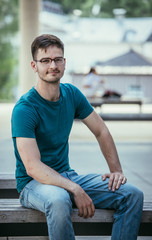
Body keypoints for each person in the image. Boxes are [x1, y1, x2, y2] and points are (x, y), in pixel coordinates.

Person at [11, 34, 143, 240]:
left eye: (57, 59)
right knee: (59, 199)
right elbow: (32, 167)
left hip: (66, 175)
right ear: (34, 66)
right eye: (45, 60)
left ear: (64, 63)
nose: (52, 65)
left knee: (132, 194)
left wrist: (116, 171)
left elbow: (102, 131)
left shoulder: (71, 94)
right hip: (32, 184)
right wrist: (75, 189)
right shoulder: (25, 108)